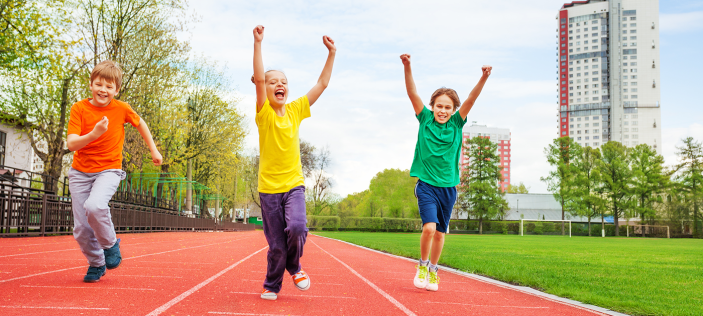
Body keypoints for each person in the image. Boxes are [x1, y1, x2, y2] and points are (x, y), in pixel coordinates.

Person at [252, 25, 336, 301]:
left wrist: (331, 53)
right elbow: (260, 79)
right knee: (276, 245)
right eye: (273, 81)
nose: (279, 85)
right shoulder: (263, 112)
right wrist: (258, 43)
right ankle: (272, 284)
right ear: (264, 88)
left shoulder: (297, 110)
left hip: (294, 185)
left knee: (298, 228)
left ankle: (294, 265)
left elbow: (322, 84)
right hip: (268, 189)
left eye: (284, 82)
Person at [400, 53, 491, 291]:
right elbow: (412, 93)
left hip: (449, 188)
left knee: (440, 234)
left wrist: (483, 78)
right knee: (429, 227)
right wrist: (408, 66)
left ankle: (433, 268)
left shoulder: (456, 124)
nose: (442, 110)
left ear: (453, 110)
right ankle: (421, 264)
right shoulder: (425, 119)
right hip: (427, 184)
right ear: (432, 107)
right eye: (439, 106)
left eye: (447, 107)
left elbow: (471, 99)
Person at [66, 60, 162, 282]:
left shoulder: (121, 108)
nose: (103, 90)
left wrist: (154, 150)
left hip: (109, 170)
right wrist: (95, 133)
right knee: (81, 229)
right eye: (99, 84)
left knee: (95, 205)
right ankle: (96, 264)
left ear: (116, 90)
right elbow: (72, 144)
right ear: (91, 85)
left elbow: (141, 124)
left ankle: (110, 244)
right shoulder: (79, 109)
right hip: (80, 173)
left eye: (109, 87)